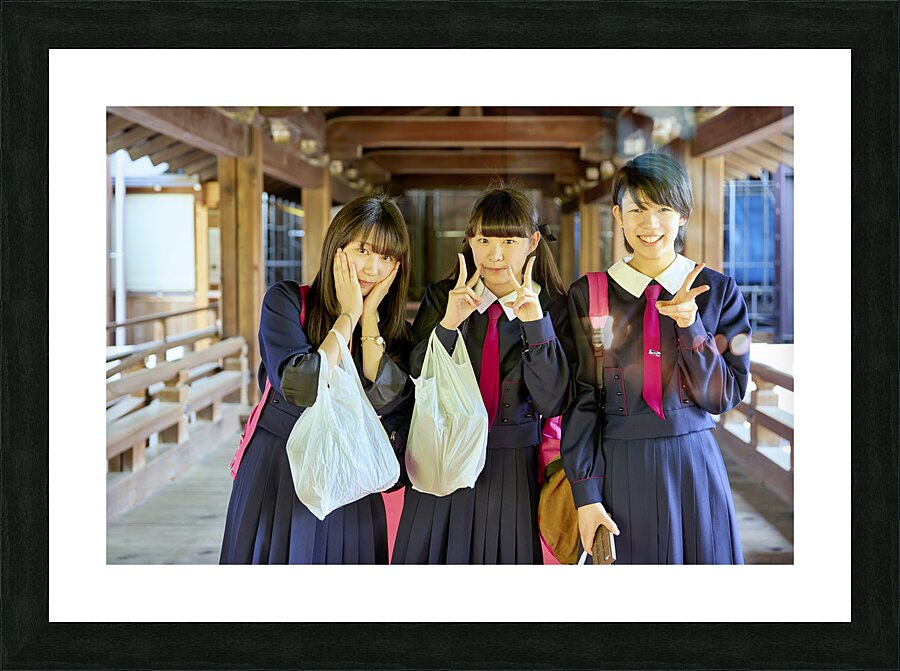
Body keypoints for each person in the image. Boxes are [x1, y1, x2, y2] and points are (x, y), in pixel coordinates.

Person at [562, 152, 750, 564]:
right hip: (617, 466)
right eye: (638, 209)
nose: (650, 224)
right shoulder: (588, 294)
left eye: (664, 209)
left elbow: (723, 397)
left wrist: (691, 329)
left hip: (693, 466)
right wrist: (586, 493)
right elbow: (582, 400)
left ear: (682, 214)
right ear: (618, 215)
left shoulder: (716, 291)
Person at [220, 194, 414, 564]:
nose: (373, 268)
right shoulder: (287, 302)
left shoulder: (395, 334)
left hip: (352, 478)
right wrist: (348, 316)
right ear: (336, 246)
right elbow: (301, 385)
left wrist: (368, 320)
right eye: (363, 250)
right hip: (280, 469)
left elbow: (391, 402)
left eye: (386, 257)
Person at [392, 186, 573, 564]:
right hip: (442, 447)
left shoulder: (553, 305)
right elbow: (414, 376)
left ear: (533, 241)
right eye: (484, 239)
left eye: (509, 240)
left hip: (512, 463)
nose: (495, 254)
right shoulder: (444, 296)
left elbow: (554, 399)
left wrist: (536, 326)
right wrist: (447, 325)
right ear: (470, 241)